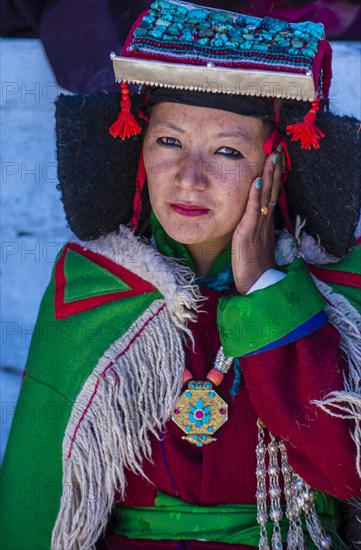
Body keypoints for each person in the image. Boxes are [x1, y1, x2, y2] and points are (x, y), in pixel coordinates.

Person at [1, 1, 361, 549]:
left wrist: (264, 288)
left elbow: (343, 472)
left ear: (276, 165)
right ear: (140, 150)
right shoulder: (93, 285)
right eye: (168, 141)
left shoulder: (337, 288)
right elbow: (34, 499)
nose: (190, 178)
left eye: (226, 150)